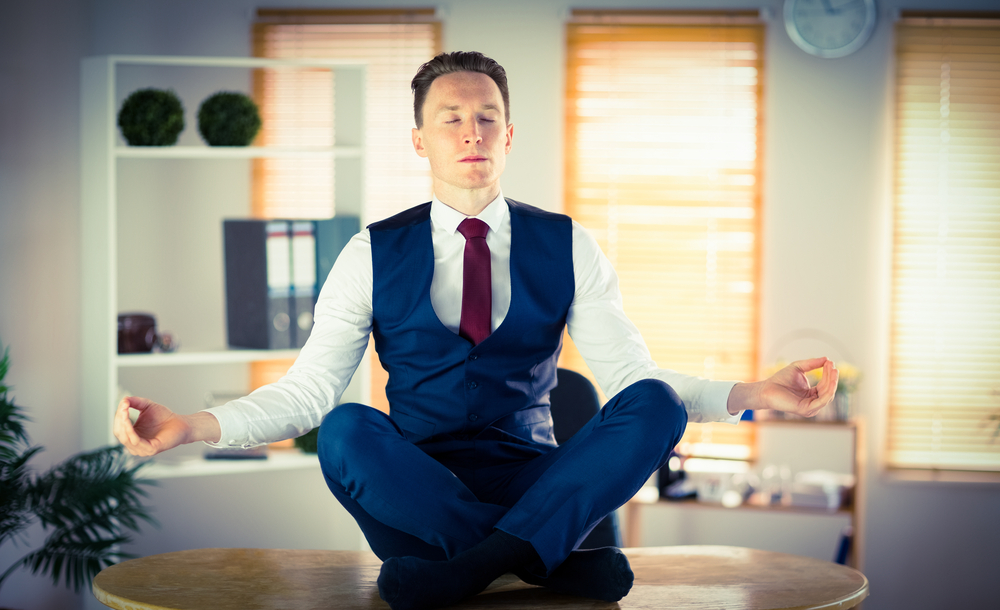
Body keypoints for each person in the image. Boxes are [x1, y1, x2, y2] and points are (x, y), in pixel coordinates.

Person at [115, 51, 839, 610]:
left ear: (510, 134)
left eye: (488, 116)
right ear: (419, 141)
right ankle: (541, 560)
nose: (472, 131)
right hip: (419, 489)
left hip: (535, 475)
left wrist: (756, 392)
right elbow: (306, 393)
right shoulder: (371, 252)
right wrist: (189, 427)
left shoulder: (568, 244)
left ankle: (471, 569)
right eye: (452, 118)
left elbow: (632, 382)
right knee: (343, 428)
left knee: (654, 404)